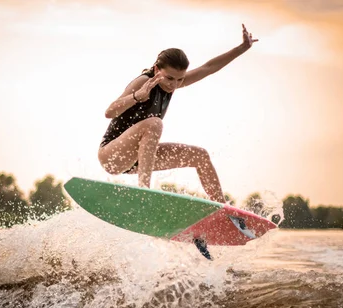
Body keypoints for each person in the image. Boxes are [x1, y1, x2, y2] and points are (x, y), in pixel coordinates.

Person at [98, 24, 258, 204]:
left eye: (180, 79)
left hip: (138, 160)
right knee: (154, 123)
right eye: (170, 78)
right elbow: (109, 112)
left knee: (200, 156)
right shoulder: (143, 82)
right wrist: (137, 96)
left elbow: (208, 67)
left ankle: (222, 211)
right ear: (158, 70)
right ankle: (144, 190)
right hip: (112, 155)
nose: (173, 85)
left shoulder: (172, 84)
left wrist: (242, 48)